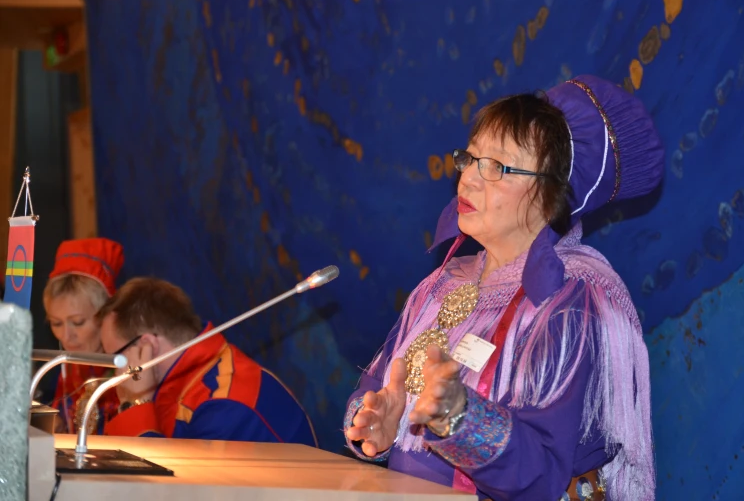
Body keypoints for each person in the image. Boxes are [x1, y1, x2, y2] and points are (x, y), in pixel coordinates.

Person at [343, 75, 664, 501]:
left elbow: (546, 472)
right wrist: (377, 424)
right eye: (470, 159)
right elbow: (379, 388)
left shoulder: (571, 303)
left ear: (550, 195)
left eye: (497, 167)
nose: (469, 180)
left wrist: (460, 418)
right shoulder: (440, 284)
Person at [97, 276, 318, 446]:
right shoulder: (182, 378)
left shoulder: (223, 405)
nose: (115, 373)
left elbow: (168, 491)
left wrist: (137, 403)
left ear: (147, 346)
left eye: (116, 358)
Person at [44, 237, 125, 434]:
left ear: (105, 315)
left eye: (78, 322)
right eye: (56, 323)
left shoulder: (130, 366)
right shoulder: (68, 367)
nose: (66, 336)